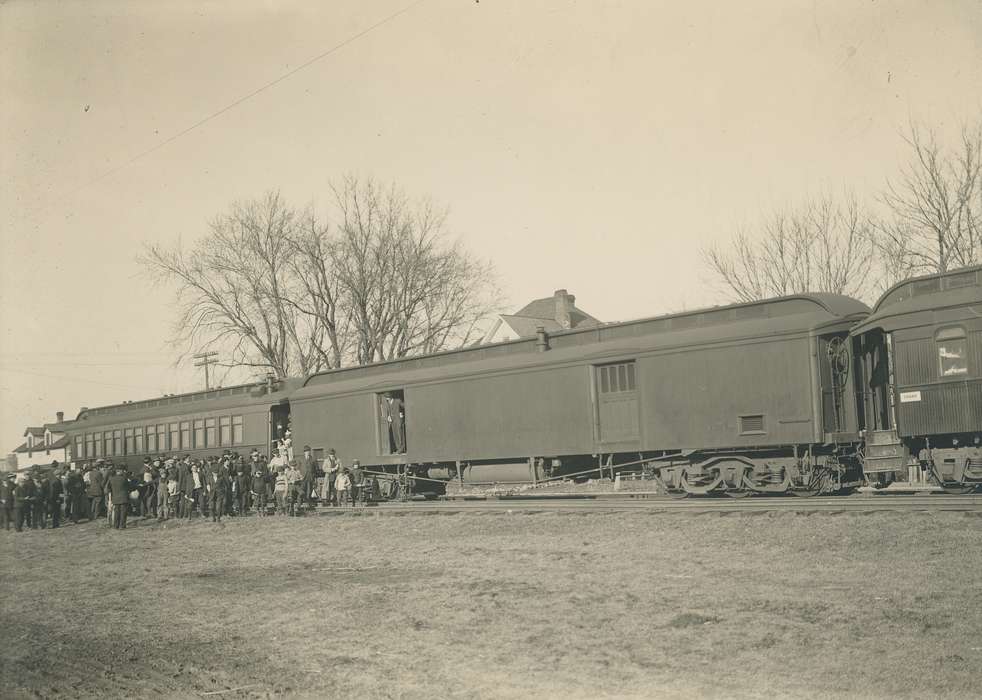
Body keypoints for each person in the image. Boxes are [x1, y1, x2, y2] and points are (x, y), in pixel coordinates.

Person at [299, 446, 317, 510]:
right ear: (304, 452)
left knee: (309, 490)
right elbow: (298, 468)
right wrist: (300, 475)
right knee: (302, 490)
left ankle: (309, 503)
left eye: (308, 451)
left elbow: (315, 469)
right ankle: (300, 503)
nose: (307, 452)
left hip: (310, 477)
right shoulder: (301, 459)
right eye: (306, 451)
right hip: (303, 477)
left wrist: (314, 477)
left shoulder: (313, 459)